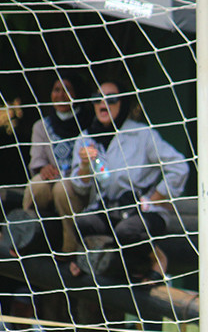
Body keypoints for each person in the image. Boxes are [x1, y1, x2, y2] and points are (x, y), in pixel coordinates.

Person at [68, 81, 190, 280]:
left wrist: (155, 198)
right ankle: (99, 261)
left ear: (123, 103)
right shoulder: (85, 139)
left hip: (143, 212)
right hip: (109, 209)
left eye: (111, 99)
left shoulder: (142, 134)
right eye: (97, 98)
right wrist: (83, 165)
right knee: (82, 223)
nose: (103, 103)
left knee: (126, 231)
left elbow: (179, 166)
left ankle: (156, 259)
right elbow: (79, 188)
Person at [22, 75, 91, 256]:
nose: (61, 95)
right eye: (56, 90)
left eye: (67, 90)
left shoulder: (89, 124)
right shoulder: (42, 126)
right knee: (37, 185)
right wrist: (43, 168)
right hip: (52, 179)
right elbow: (37, 159)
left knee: (62, 189)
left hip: (80, 183)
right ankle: (25, 236)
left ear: (77, 93)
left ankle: (70, 248)